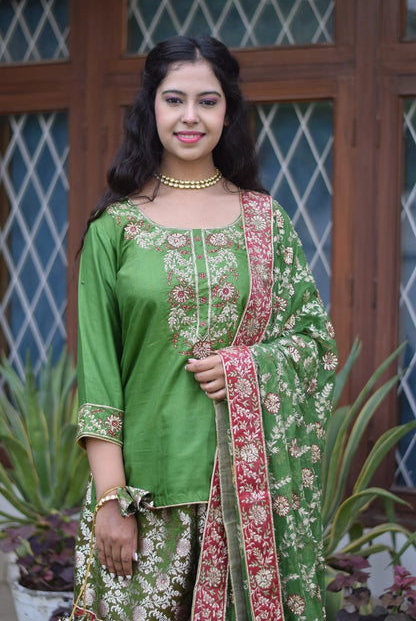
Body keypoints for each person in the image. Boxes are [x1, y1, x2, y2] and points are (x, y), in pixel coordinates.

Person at [73, 35, 338, 621]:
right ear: (151, 109)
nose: (191, 116)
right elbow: (98, 374)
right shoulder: (113, 229)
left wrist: (247, 368)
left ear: (228, 111)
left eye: (208, 101)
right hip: (146, 498)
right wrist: (111, 503)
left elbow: (316, 344)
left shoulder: (264, 220)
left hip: (248, 502)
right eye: (174, 100)